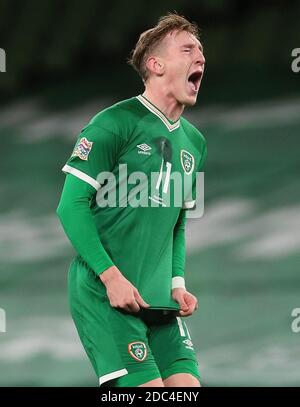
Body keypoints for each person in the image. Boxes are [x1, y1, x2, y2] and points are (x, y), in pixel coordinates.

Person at [57, 12, 207, 387]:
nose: (200, 58)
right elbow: (69, 206)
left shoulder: (195, 142)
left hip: (159, 300)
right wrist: (111, 279)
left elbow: (178, 222)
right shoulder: (113, 123)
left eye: (202, 52)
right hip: (104, 292)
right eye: (188, 50)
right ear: (156, 65)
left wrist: (176, 282)